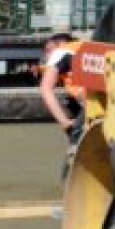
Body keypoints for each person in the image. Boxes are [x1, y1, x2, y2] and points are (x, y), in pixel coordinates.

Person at [37, 33, 83, 181]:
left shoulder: (61, 51)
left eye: (47, 50)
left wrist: (65, 123)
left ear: (58, 44)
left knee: (78, 147)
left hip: (94, 104)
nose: (46, 55)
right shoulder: (84, 49)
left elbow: (45, 88)